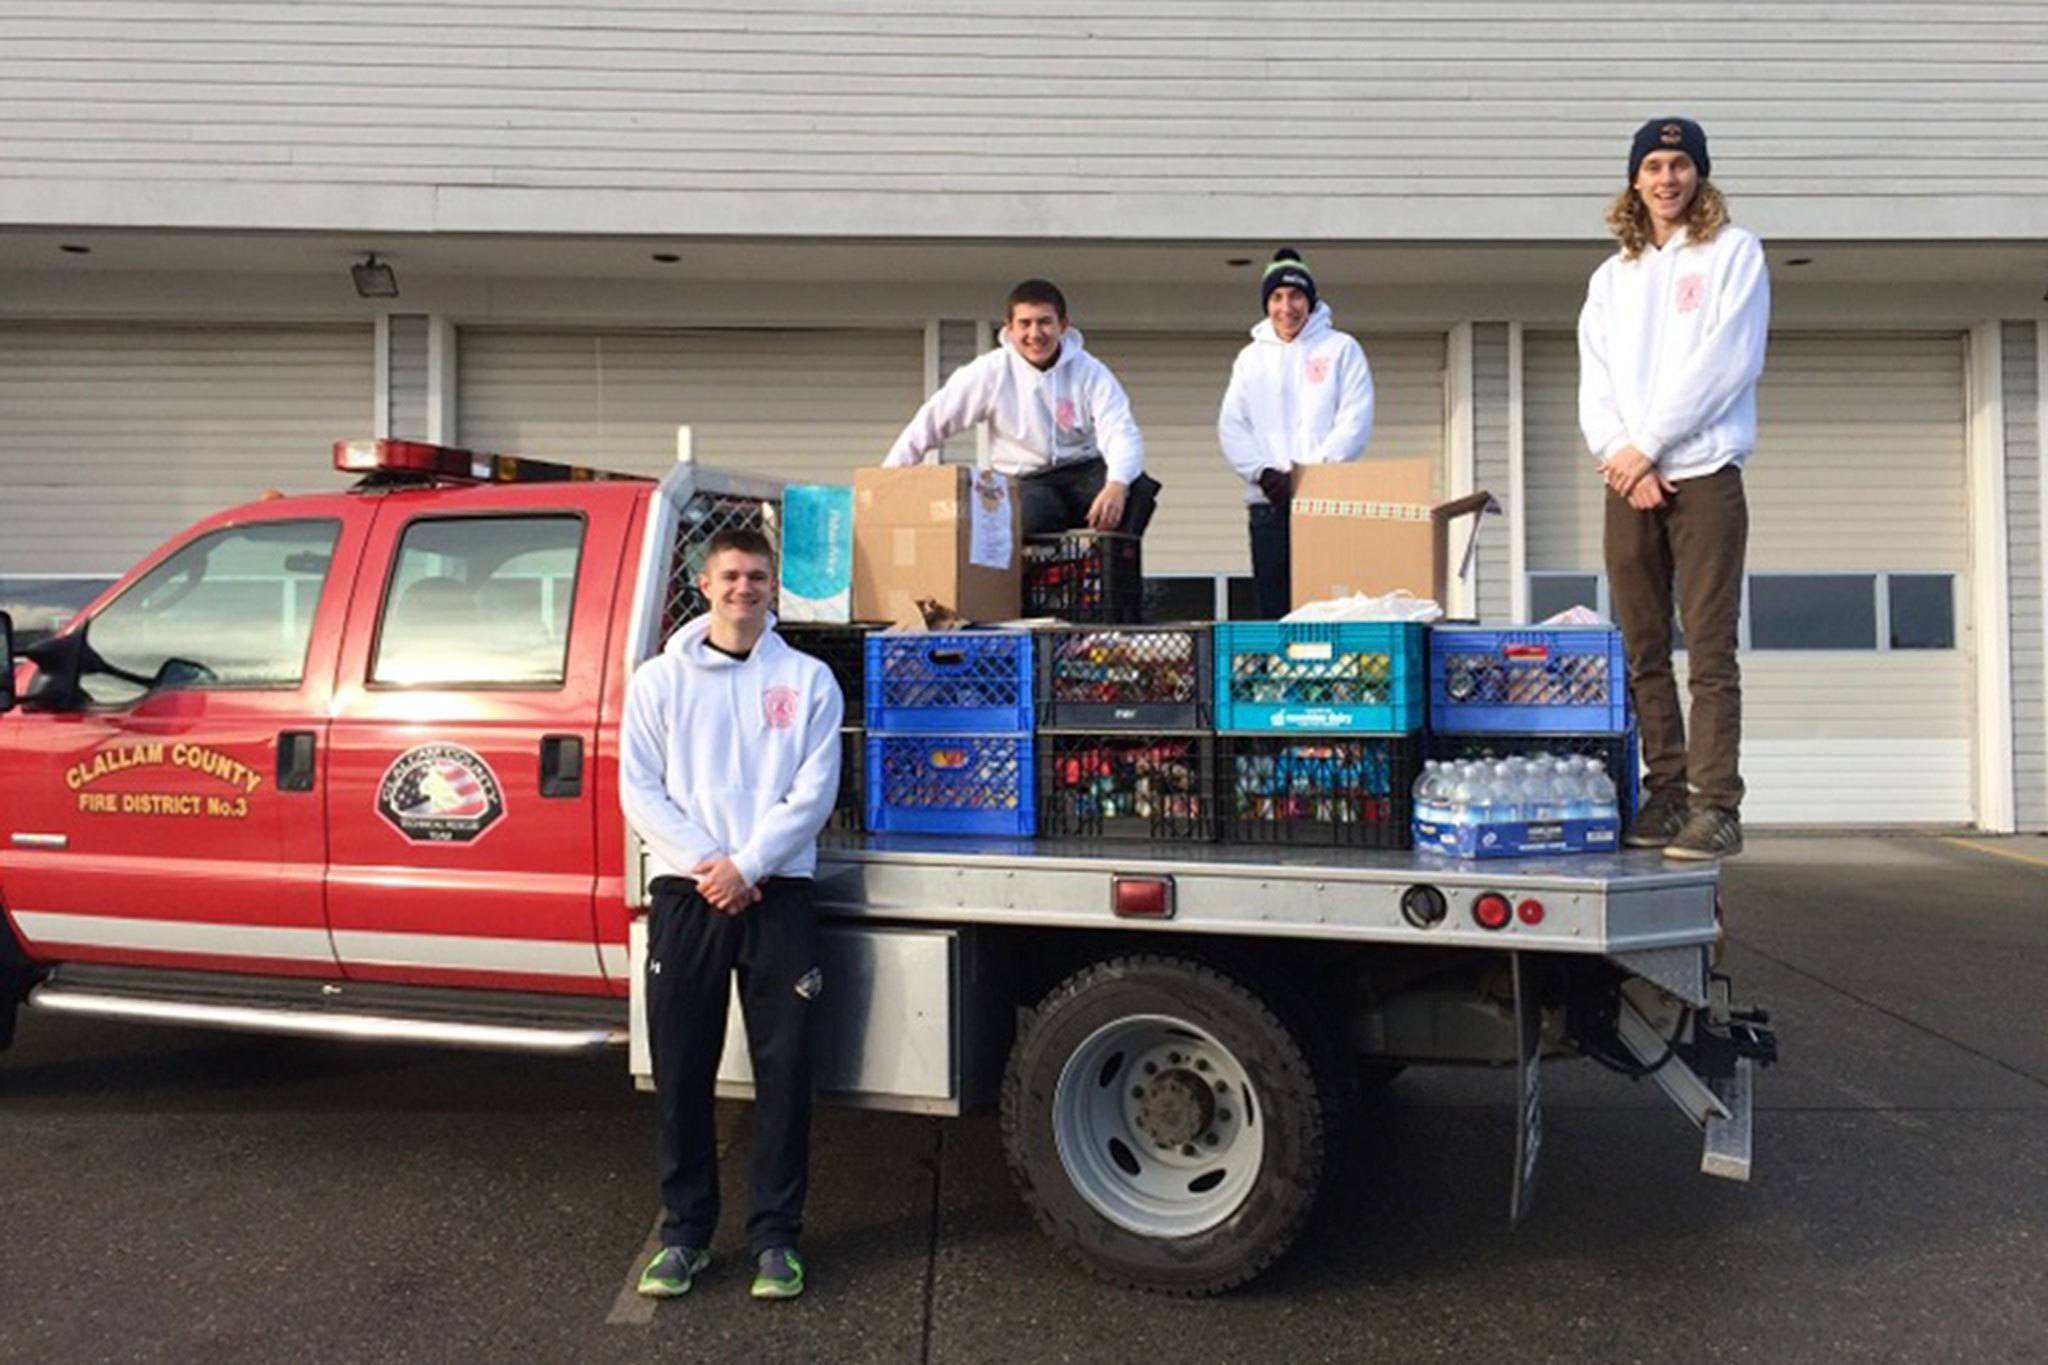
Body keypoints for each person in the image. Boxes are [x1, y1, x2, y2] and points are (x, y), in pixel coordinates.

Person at [619, 528, 845, 1301]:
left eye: (756, 577)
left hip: (777, 890)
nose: (743, 588)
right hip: (688, 891)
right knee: (683, 1067)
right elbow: (640, 790)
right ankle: (684, 1235)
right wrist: (711, 866)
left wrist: (747, 865)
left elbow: (813, 792)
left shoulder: (810, 680)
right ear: (705, 586)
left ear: (771, 589)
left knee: (786, 1072)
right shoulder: (658, 681)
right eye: (730, 576)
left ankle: (776, 1239)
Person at [1578, 117, 1770, 860]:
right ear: (1635, 178)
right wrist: (1623, 455)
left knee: (1711, 650)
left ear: (1700, 175)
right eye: (1654, 165)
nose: (1667, 178)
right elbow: (1596, 380)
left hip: (1705, 474)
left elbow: (1729, 362)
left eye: (1680, 164)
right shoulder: (1610, 276)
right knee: (1643, 646)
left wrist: (1649, 446)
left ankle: (1716, 805)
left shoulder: (1732, 254)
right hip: (1629, 478)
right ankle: (1666, 790)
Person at [882, 278, 1161, 539]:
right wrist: (885, 481)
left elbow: (1120, 430)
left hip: (1082, 470)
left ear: (1063, 325)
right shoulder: (990, 372)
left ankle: (1105, 575)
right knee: (1037, 515)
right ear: (1010, 327)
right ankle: (1039, 584)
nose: (1035, 334)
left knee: (1136, 489)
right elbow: (931, 421)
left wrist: (1116, 484)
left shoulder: (1090, 372)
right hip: (1023, 479)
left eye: (1044, 323)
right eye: (1025, 323)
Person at [1217, 248, 1376, 619]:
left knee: (1327, 610)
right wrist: (1264, 474)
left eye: (1295, 296)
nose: (1286, 307)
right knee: (1274, 610)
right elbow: (1232, 425)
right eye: (1276, 297)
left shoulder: (1341, 349)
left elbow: (1355, 419)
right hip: (1267, 503)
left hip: (1325, 502)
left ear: (1311, 300)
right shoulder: (1250, 359)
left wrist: (1309, 475)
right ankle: (1279, 676)